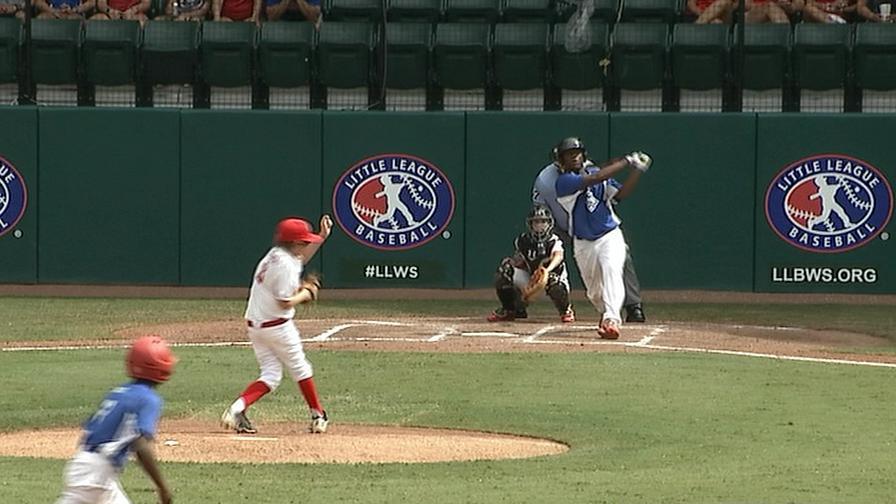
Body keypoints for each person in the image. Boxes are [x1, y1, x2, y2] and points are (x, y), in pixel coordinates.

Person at [222, 215, 333, 435]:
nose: (305, 244)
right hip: (278, 327)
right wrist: (306, 293)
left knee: (271, 375)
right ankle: (318, 415)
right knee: (301, 368)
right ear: (293, 243)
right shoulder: (285, 266)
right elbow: (284, 302)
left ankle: (236, 409)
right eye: (303, 241)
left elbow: (299, 260)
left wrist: (321, 237)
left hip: (256, 326)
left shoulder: (275, 255)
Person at [547, 137, 651, 339]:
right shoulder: (563, 182)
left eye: (577, 153)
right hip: (583, 243)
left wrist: (637, 171)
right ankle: (605, 313)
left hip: (609, 235)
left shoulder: (597, 174)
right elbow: (593, 180)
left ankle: (612, 318)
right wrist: (627, 161)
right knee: (594, 293)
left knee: (612, 270)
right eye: (569, 154)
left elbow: (620, 194)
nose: (574, 157)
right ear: (562, 160)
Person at [55, 335, 176, 504]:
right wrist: (162, 487)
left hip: (88, 466)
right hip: (96, 475)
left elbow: (92, 430)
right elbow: (141, 445)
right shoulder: (148, 399)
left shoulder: (118, 393)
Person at [486, 205, 575, 323]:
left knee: (553, 280)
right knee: (504, 270)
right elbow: (520, 261)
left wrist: (546, 271)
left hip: (552, 280)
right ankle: (511, 309)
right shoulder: (523, 240)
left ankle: (565, 310)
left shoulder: (554, 240)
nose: (539, 226)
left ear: (549, 224)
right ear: (530, 224)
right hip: (531, 279)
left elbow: (558, 256)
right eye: (536, 222)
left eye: (543, 222)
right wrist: (512, 262)